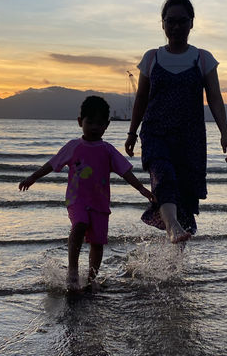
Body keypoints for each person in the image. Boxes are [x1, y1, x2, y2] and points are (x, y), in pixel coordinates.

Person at [125, 0, 227, 243]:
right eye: (170, 22)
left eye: (181, 21)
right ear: (162, 24)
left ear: (191, 23)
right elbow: (141, 98)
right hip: (156, 133)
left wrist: (225, 134)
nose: (175, 27)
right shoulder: (152, 58)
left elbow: (215, 99)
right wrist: (131, 132)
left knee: (184, 197)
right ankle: (172, 227)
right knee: (164, 178)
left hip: (190, 139)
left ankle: (174, 267)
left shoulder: (202, 59)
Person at [19, 95, 154, 291]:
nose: (94, 127)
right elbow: (52, 163)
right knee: (80, 224)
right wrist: (32, 177)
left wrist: (141, 189)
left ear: (107, 125)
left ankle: (91, 280)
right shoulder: (74, 146)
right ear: (80, 122)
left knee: (97, 243)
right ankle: (72, 271)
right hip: (77, 200)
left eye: (99, 123)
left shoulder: (107, 150)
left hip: (100, 204)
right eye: (90, 122)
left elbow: (125, 171)